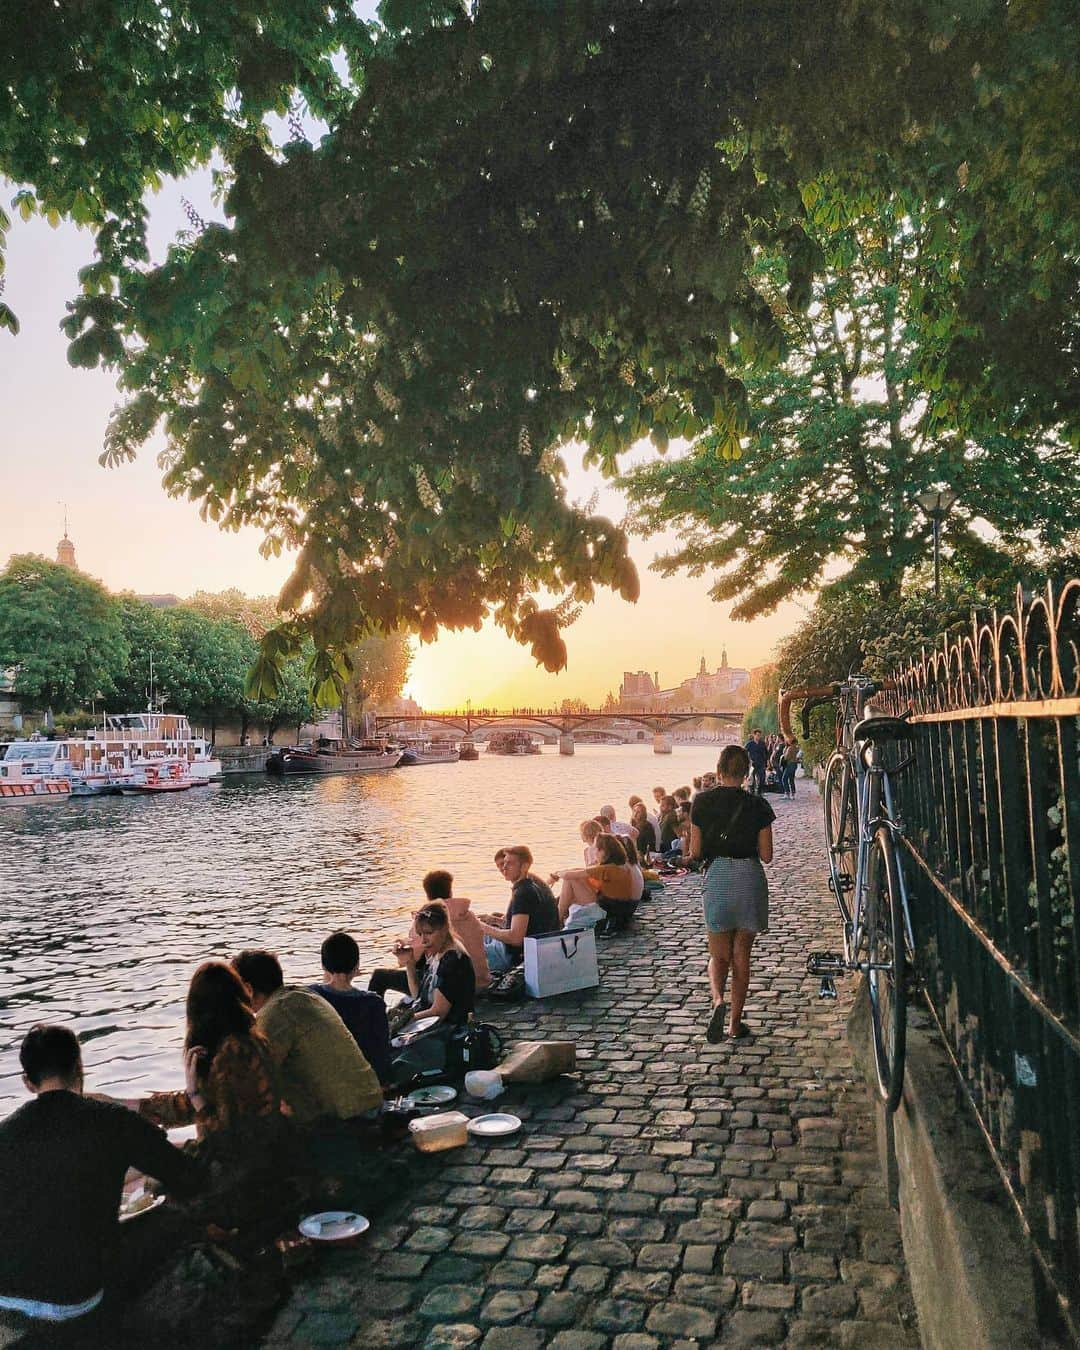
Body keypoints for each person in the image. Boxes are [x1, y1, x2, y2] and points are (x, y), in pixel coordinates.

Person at [0, 1025, 202, 1336]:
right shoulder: (112, 1120)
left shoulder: (6, 1134)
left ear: (28, 1082)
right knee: (170, 1222)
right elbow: (187, 1178)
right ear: (80, 1067)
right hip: (75, 1299)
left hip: (7, 1296)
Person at [231, 950, 383, 1123]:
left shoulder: (275, 1013)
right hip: (368, 1103)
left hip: (347, 1120)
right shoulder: (305, 996)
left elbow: (254, 1081)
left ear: (248, 989)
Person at [689, 744, 775, 1042]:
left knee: (718, 954)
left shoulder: (700, 802)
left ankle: (717, 1001)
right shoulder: (759, 806)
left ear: (719, 771)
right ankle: (735, 1024)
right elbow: (766, 855)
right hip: (749, 877)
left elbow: (696, 852)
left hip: (718, 878)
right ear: (747, 773)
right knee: (742, 956)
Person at [138, 961, 283, 1136]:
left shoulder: (233, 1053)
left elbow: (226, 1135)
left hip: (241, 1159)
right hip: (263, 1152)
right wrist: (134, 1106)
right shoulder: (252, 1041)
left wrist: (194, 1095)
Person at [310, 933, 393, 1084]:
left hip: (322, 1081)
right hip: (363, 1082)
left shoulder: (311, 996)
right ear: (356, 967)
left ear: (323, 965)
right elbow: (381, 1055)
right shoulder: (373, 1003)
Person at [395, 900, 476, 1030]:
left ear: (444, 929)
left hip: (451, 1030)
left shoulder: (452, 959)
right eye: (420, 934)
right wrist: (409, 962)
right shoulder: (438, 952)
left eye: (428, 933)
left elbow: (438, 1011)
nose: (423, 941)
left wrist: (403, 1021)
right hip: (435, 1025)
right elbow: (419, 997)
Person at [477, 845, 559, 973]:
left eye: (509, 864)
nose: (504, 868)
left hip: (511, 956)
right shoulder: (530, 886)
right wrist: (492, 921)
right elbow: (524, 927)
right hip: (527, 949)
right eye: (504, 863)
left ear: (525, 866)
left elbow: (516, 939)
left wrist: (481, 926)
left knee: (464, 943)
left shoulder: (523, 893)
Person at [551, 834, 641, 934]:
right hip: (621, 907)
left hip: (610, 909)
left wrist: (556, 874)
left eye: (596, 850)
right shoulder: (619, 866)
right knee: (575, 880)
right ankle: (560, 917)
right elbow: (581, 871)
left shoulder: (608, 869)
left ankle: (557, 921)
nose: (595, 854)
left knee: (570, 880)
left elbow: (568, 875)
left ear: (604, 851)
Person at [745, 728, 769, 795]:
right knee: (752, 780)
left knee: (762, 778)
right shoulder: (750, 744)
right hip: (752, 764)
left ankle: (759, 792)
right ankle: (752, 793)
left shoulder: (762, 744)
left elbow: (766, 753)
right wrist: (747, 760)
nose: (758, 737)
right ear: (754, 735)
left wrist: (767, 761)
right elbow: (744, 752)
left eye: (759, 735)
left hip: (761, 764)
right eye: (757, 735)